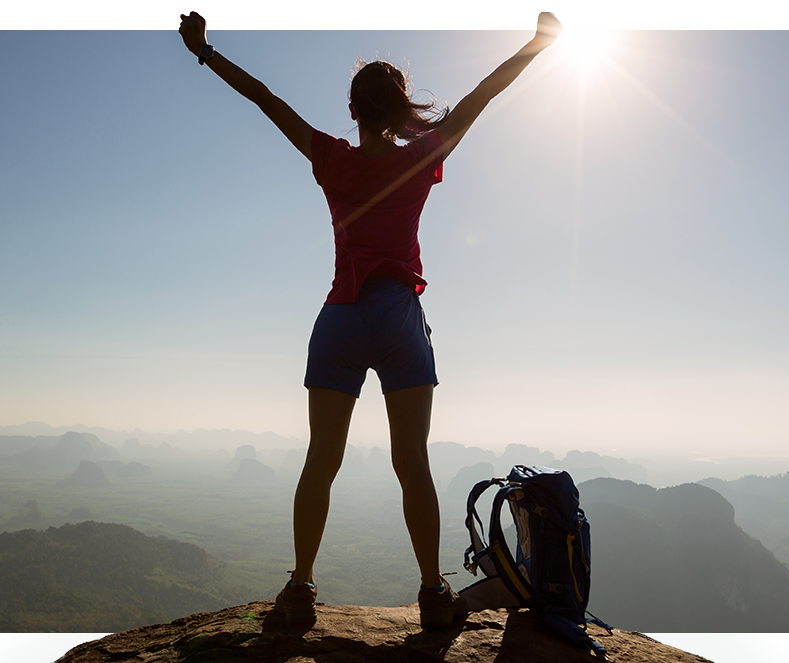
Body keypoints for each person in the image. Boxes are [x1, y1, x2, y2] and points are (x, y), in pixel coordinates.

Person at [176, 11, 563, 630]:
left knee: (320, 458)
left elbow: (265, 99)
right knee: (412, 460)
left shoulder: (331, 158)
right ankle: (433, 590)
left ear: (353, 111)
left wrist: (204, 52)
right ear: (400, 108)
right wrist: (536, 45)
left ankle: (300, 584)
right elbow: (480, 97)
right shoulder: (421, 157)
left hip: (341, 316)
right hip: (399, 318)